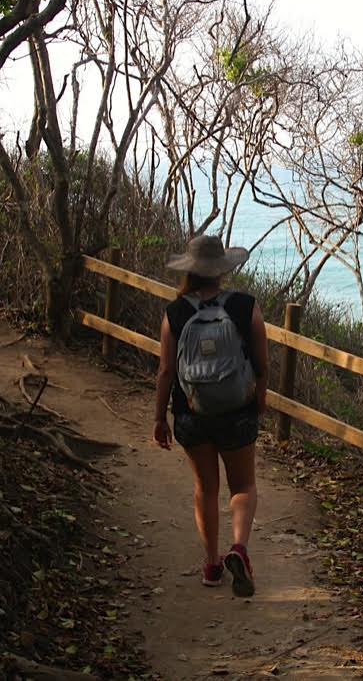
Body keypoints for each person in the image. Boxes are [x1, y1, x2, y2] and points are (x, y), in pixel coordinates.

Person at [153, 235, 268, 597]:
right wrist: (259, 402)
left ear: (190, 270)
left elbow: (165, 371)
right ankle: (239, 549)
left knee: (205, 488)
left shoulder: (175, 313)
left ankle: (211, 564)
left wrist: (159, 417)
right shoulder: (246, 306)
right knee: (243, 486)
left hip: (191, 412)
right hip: (237, 412)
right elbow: (263, 366)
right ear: (221, 270)